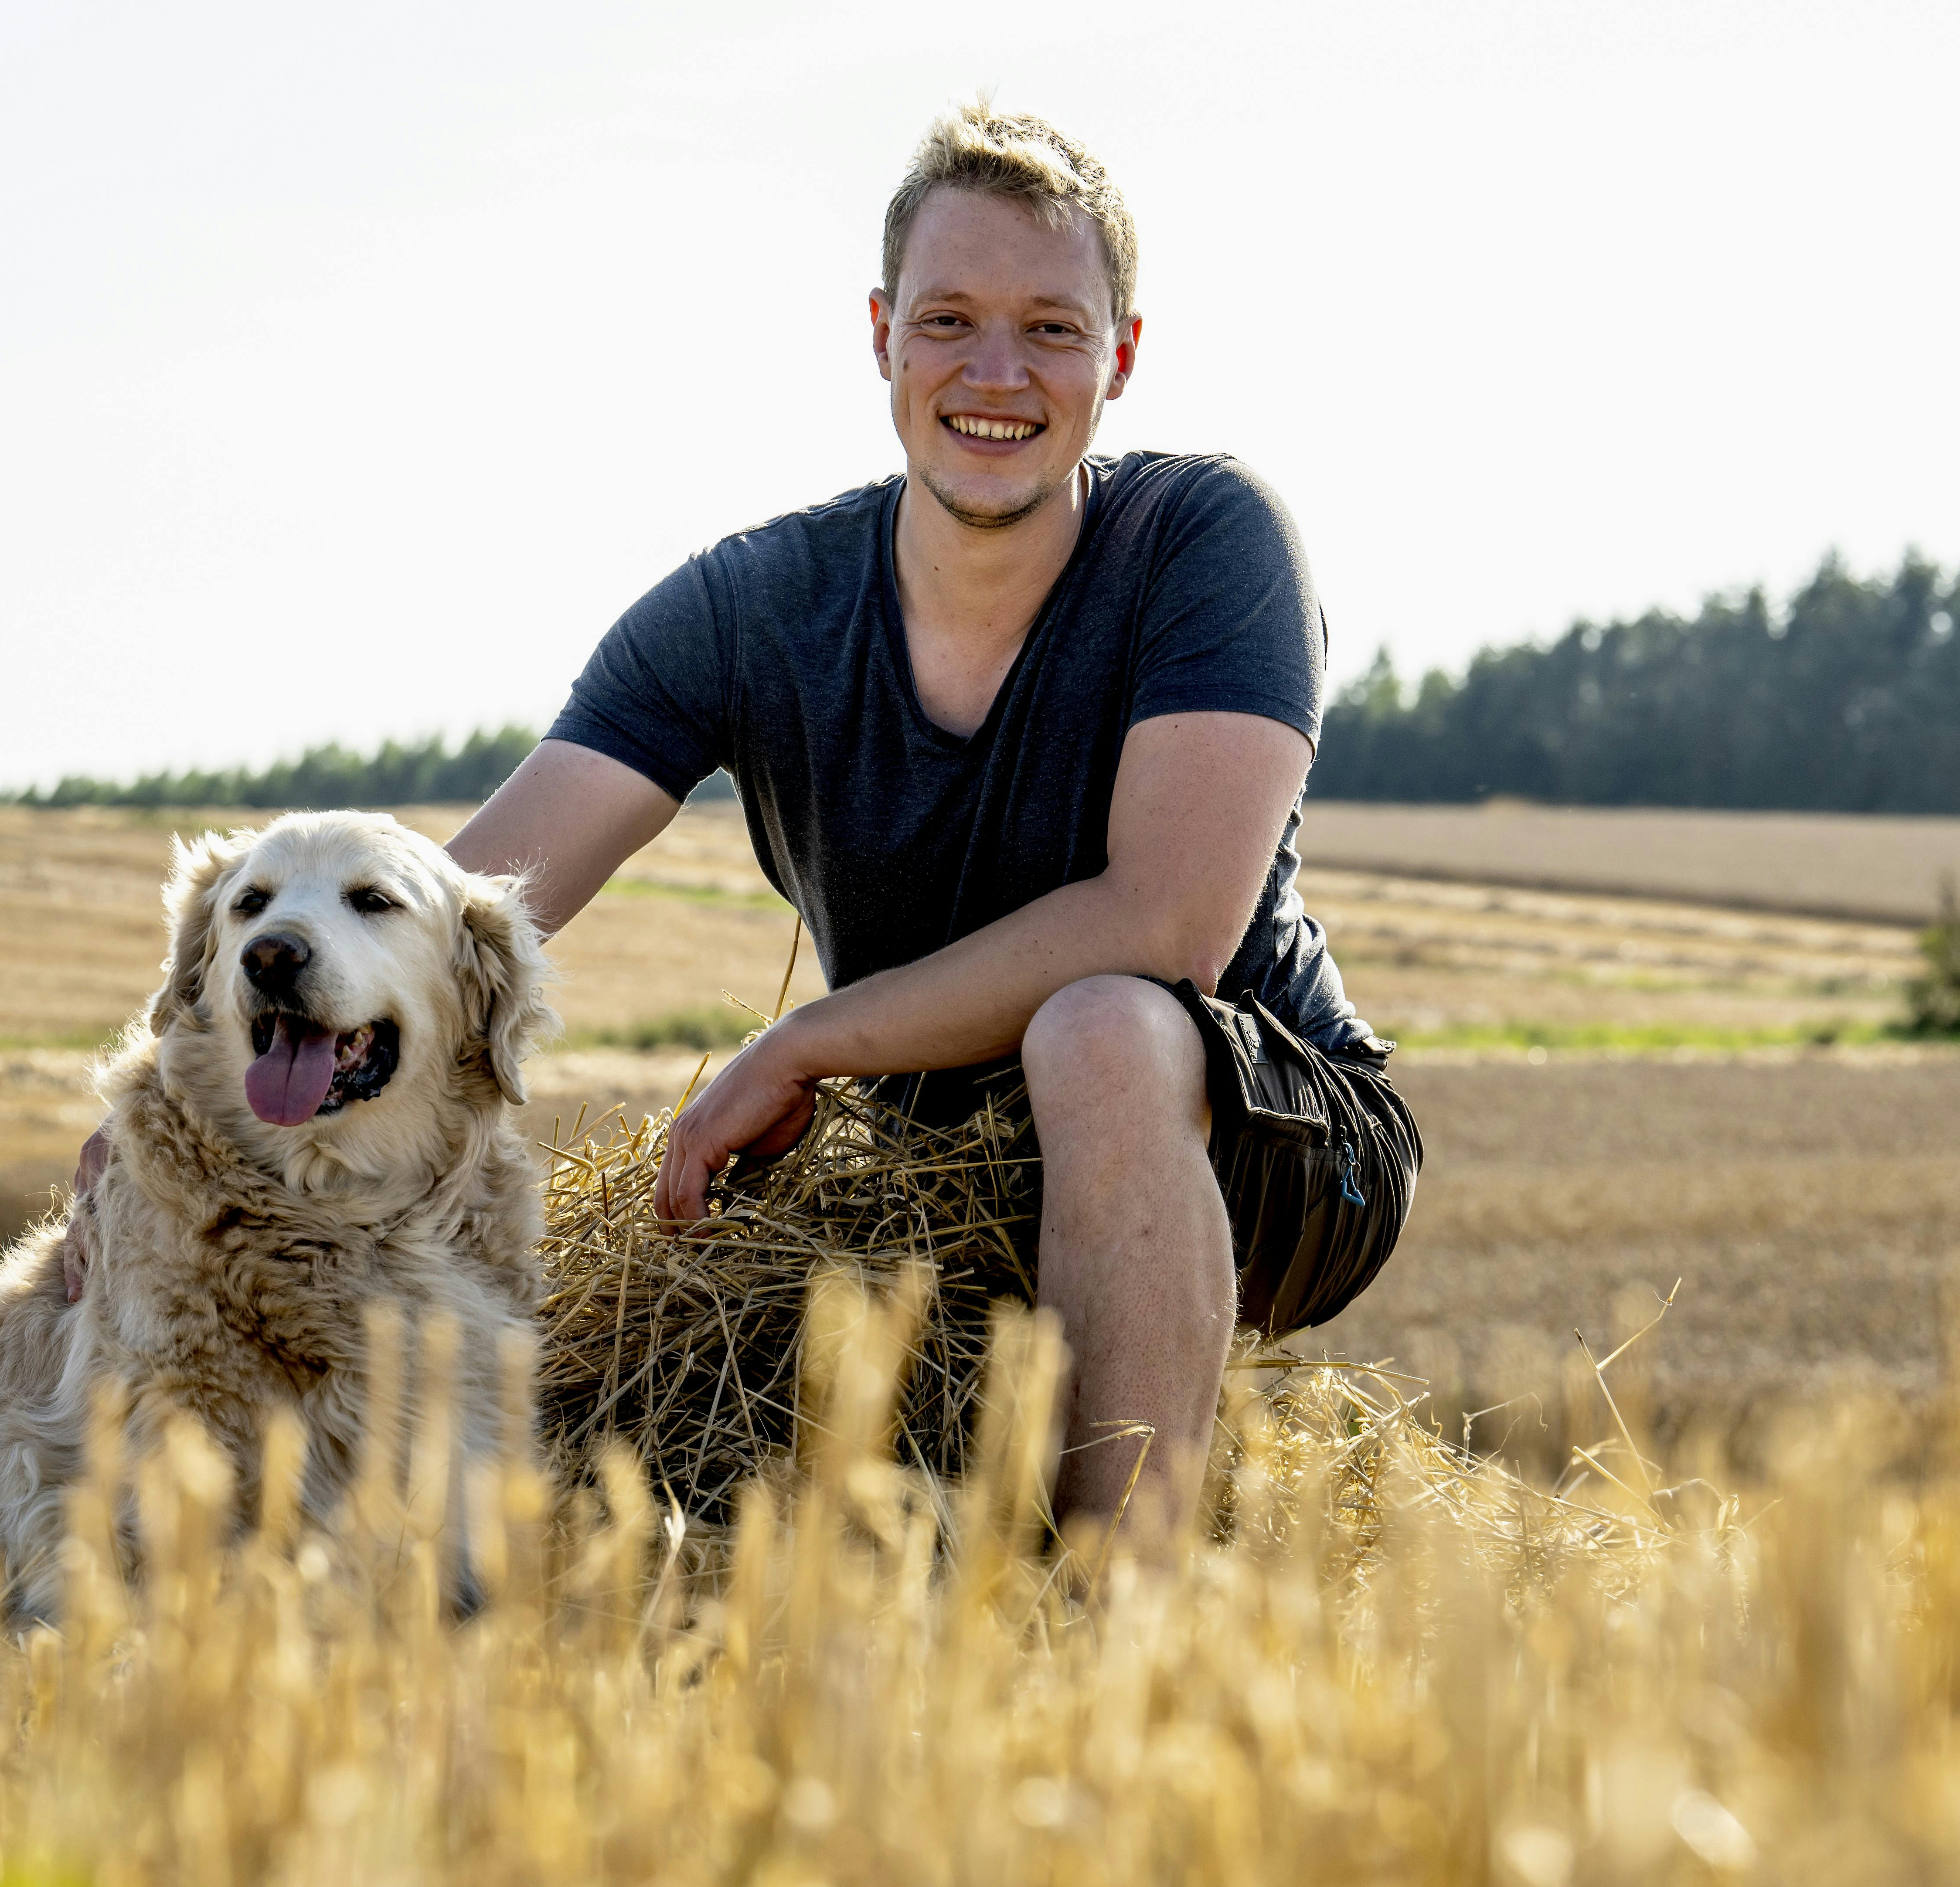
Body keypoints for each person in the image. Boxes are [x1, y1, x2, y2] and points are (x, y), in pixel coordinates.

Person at [70, 103, 1420, 1548]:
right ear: (882, 335)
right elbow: (459, 899)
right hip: (940, 1170)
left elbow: (1168, 925)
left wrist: (804, 1042)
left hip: (1275, 1137)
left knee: (1100, 1025)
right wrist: (181, 1088)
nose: (995, 373)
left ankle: (1121, 1609)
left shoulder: (1207, 539)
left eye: (1050, 329)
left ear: (1123, 357)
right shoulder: (748, 607)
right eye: (950, 319)